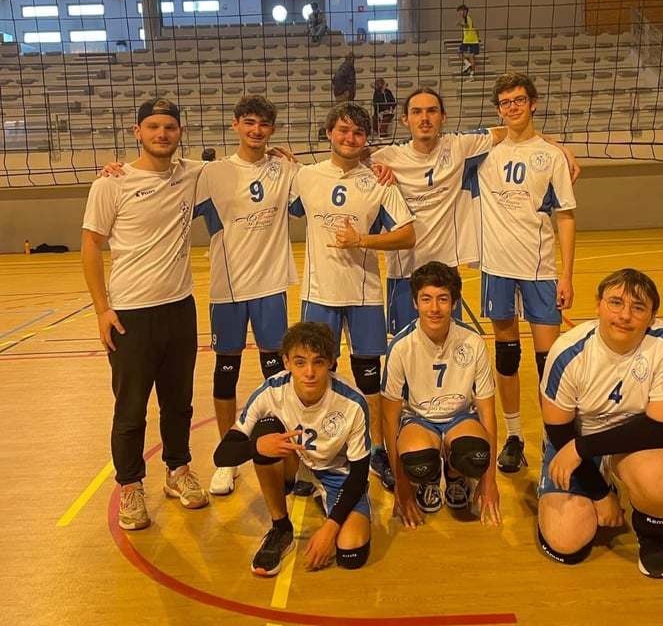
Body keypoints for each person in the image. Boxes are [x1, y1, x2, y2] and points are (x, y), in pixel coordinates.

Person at [81, 97, 209, 532]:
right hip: (130, 314)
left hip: (180, 308)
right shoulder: (110, 184)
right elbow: (91, 245)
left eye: (169, 127)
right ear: (138, 132)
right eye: (153, 127)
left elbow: (244, 164)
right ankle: (131, 486)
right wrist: (102, 309)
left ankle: (178, 470)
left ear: (179, 133)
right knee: (131, 409)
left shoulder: (191, 174)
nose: (161, 134)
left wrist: (281, 156)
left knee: (178, 403)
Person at [369, 86, 578, 336]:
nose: (424, 118)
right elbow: (353, 158)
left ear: (443, 116)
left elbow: (513, 130)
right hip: (404, 272)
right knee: (405, 346)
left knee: (448, 344)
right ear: (405, 119)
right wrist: (374, 166)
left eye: (432, 111)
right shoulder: (387, 157)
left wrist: (556, 145)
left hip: (446, 270)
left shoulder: (460, 145)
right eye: (417, 112)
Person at [289, 100, 416, 493]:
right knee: (312, 374)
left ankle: (376, 449)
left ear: (366, 140)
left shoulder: (378, 181)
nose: (350, 138)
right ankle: (312, 455)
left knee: (369, 378)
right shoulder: (305, 176)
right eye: (343, 130)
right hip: (318, 292)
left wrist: (362, 240)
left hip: (364, 294)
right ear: (329, 133)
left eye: (358, 133)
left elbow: (408, 234)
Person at [538, 268, 663, 578]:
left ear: (652, 316)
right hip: (573, 439)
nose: (625, 315)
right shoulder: (567, 351)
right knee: (565, 543)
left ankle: (652, 538)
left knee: (661, 484)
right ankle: (602, 484)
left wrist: (582, 448)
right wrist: (600, 494)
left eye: (638, 307)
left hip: (633, 443)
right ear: (597, 304)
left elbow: (660, 429)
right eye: (616, 302)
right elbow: (559, 430)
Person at [194, 95, 301, 497]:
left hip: (270, 285)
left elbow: (313, 196)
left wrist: (295, 163)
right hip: (228, 288)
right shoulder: (212, 173)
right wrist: (117, 172)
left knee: (277, 373)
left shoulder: (285, 169)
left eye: (264, 124)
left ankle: (287, 453)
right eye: (250, 122)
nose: (257, 130)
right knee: (226, 370)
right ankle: (228, 458)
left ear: (272, 129)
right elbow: (167, 184)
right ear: (235, 124)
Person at [472, 72, 576, 475]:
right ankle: (514, 436)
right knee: (507, 356)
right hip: (497, 267)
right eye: (505, 102)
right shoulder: (485, 152)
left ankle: (552, 436)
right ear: (498, 109)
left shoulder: (551, 156)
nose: (512, 107)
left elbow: (565, 217)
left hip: (540, 269)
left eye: (518, 100)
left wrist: (566, 275)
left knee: (548, 361)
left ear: (533, 103)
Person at [213, 321, 372, 576]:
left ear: (331, 362)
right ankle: (281, 527)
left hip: (336, 473)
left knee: (351, 555)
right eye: (300, 362)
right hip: (296, 463)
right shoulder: (271, 391)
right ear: (286, 361)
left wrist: (330, 528)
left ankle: (324, 496)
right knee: (265, 431)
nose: (309, 372)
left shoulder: (352, 403)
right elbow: (222, 455)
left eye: (318, 362)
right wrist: (257, 446)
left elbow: (359, 474)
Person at [381, 262, 501, 528]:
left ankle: (456, 476)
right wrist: (401, 484)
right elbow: (389, 418)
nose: (434, 308)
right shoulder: (401, 347)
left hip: (460, 418)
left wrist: (489, 479)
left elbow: (487, 412)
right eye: (426, 299)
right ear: (415, 303)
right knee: (417, 463)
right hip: (419, 421)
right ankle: (430, 478)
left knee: (475, 455)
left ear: (454, 303)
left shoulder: (473, 342)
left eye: (442, 299)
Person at [456, 4, 480, 80]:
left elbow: (466, 25)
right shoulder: (469, 19)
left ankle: (467, 63)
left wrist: (460, 24)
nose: (460, 13)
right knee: (471, 56)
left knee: (459, 53)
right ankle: (471, 75)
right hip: (474, 40)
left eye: (461, 11)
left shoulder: (466, 18)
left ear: (465, 11)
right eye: (459, 11)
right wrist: (477, 37)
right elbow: (474, 29)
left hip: (468, 40)